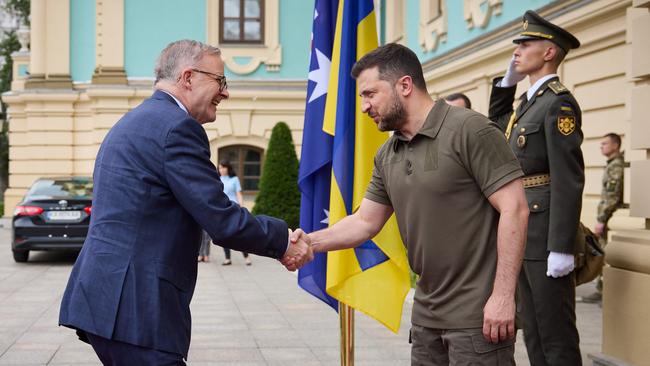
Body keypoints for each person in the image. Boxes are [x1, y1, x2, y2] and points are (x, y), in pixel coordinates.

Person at [58, 40, 313, 365]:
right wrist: (282, 241)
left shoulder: (136, 121)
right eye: (220, 81)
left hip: (109, 300)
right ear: (188, 77)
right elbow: (221, 219)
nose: (225, 92)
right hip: (138, 308)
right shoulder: (177, 129)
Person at [302, 43, 529, 365]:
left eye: (370, 94)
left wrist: (504, 297)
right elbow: (365, 222)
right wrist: (307, 242)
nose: (364, 107)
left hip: (477, 317)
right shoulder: (387, 154)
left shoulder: (470, 129)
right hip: (426, 316)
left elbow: (515, 209)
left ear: (404, 85)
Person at [488, 10, 584, 365]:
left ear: (548, 53)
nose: (517, 50)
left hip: (545, 234)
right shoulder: (527, 104)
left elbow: (569, 178)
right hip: (523, 229)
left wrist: (561, 246)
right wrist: (506, 83)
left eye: (525, 44)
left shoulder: (558, 103)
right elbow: (495, 127)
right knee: (533, 328)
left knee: (555, 333)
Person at [582, 133, 624, 303]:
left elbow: (612, 195)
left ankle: (603, 291)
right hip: (608, 217)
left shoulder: (616, 166)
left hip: (609, 217)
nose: (601, 146)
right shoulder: (612, 164)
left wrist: (601, 219)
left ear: (615, 145)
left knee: (604, 253)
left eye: (605, 143)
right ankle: (601, 289)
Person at [217, 160, 252, 265]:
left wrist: (241, 206)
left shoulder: (234, 179)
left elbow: (239, 194)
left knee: (239, 234)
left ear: (228, 168)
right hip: (222, 209)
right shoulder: (217, 179)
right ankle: (227, 258)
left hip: (234, 208)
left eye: (223, 167)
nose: (221, 170)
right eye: (220, 168)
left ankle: (246, 256)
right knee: (224, 235)